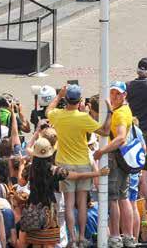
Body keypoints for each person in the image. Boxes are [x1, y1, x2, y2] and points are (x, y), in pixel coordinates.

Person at [46, 84, 108, 248]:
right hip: (83, 163)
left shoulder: (57, 115)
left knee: (68, 203)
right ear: (80, 101)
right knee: (82, 204)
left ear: (66, 99)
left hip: (64, 163)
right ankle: (81, 236)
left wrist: (58, 96)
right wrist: (109, 113)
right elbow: (104, 132)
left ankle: (72, 238)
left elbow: (48, 110)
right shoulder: (83, 118)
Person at [92, 81, 135, 248]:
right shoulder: (122, 110)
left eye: (118, 93)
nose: (115, 96)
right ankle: (129, 236)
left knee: (114, 198)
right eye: (112, 93)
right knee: (123, 197)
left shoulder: (121, 114)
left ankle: (116, 236)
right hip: (123, 158)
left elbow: (121, 137)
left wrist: (102, 151)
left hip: (115, 157)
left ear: (124, 95)